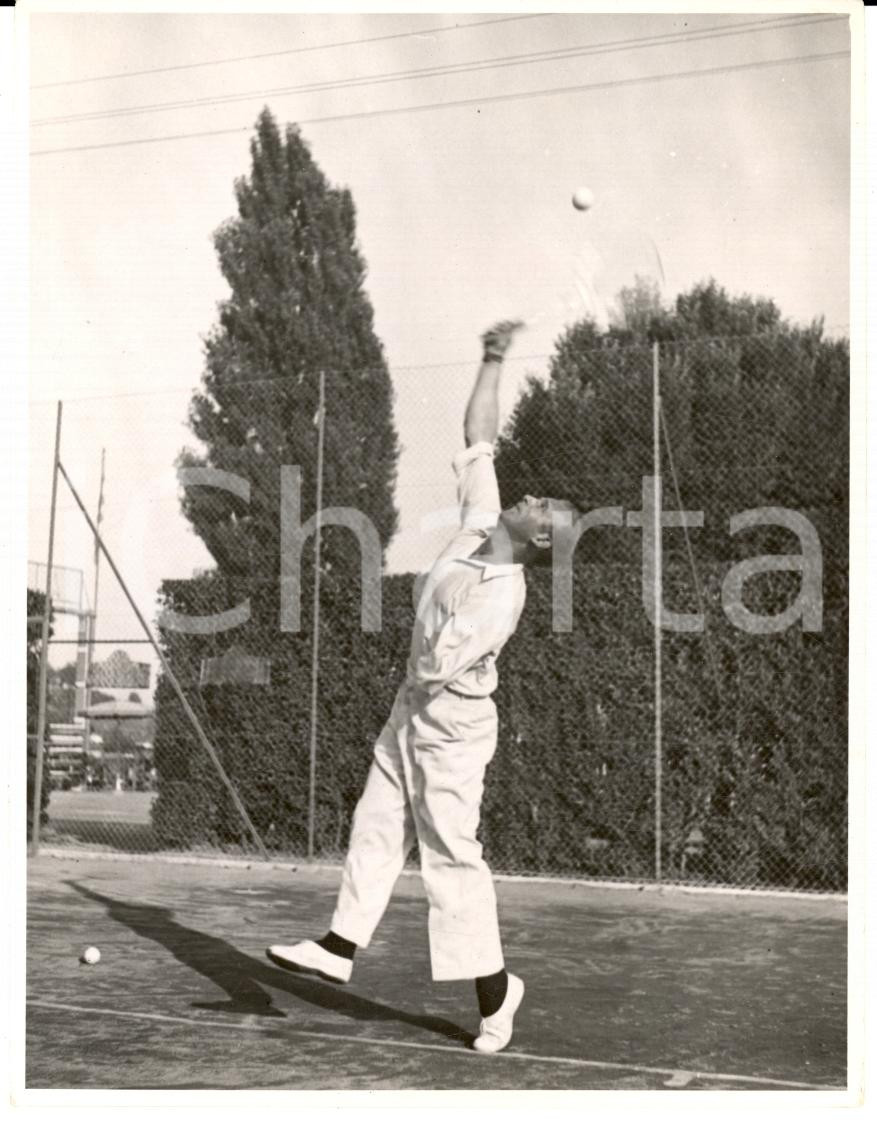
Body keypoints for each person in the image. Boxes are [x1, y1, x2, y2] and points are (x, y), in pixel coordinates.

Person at [267, 320, 580, 1054]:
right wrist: (493, 358)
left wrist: (412, 691)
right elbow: (478, 437)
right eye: (535, 497)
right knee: (375, 820)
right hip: (414, 707)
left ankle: (497, 996)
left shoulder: (501, 597)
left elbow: (437, 664)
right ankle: (339, 947)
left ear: (537, 540)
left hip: (454, 728)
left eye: (543, 508)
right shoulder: (480, 523)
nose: (531, 496)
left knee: (449, 858)